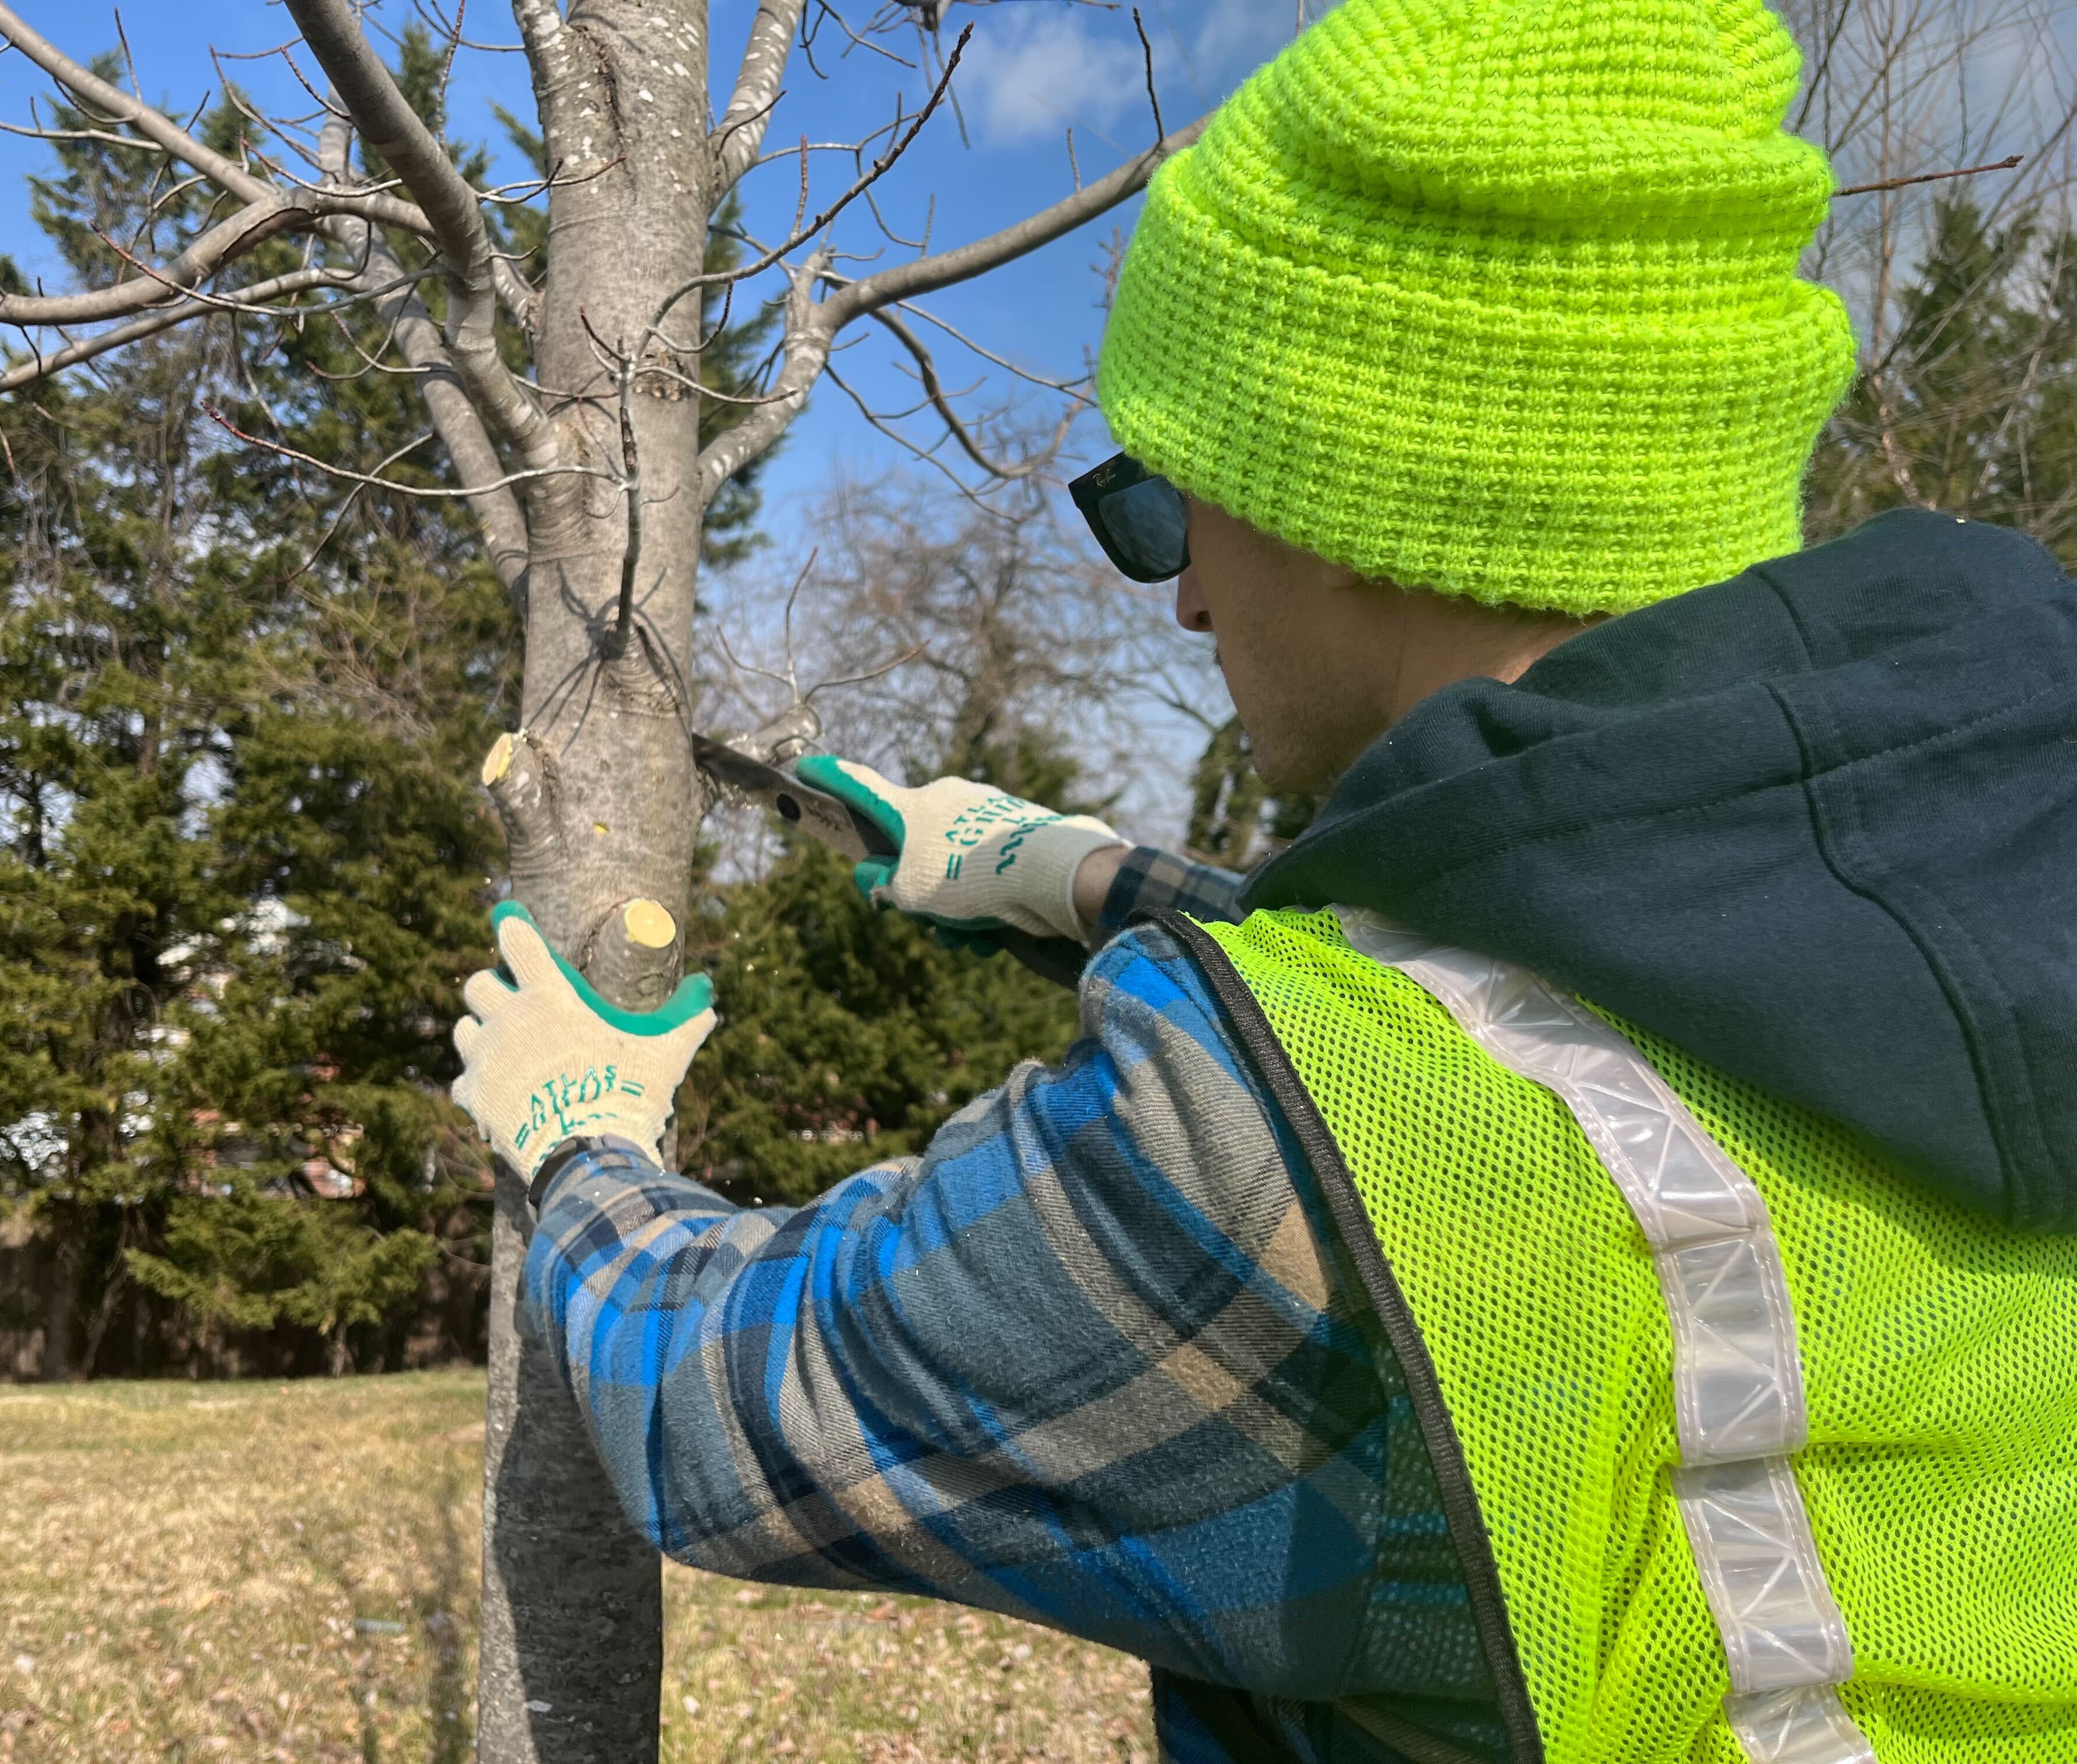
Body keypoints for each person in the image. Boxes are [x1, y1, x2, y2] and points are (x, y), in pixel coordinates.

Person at [449, 0, 2077, 1757]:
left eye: (1168, 503)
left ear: (1353, 503)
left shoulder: (1266, 1173)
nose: (1187, 600)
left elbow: (733, 1399)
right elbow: (1564, 1022)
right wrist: (1073, 877)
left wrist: (584, 1143)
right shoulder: (1986, 851)